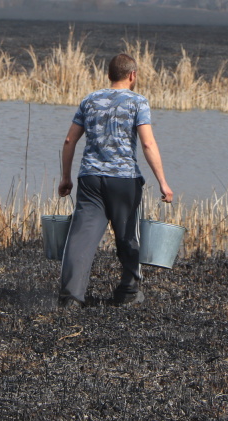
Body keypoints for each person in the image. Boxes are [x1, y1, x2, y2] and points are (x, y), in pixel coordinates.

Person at [57, 53, 173, 308]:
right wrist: (163, 182)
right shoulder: (138, 102)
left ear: (110, 75)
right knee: (127, 236)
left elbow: (69, 141)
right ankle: (128, 292)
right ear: (132, 75)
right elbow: (147, 143)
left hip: (90, 179)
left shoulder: (89, 100)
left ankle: (70, 297)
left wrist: (66, 177)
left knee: (82, 237)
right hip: (124, 180)